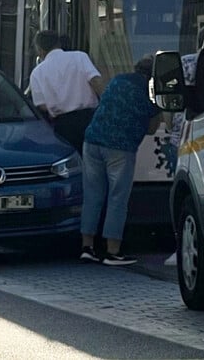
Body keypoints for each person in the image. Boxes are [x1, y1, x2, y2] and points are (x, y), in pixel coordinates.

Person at [79, 55, 162, 266]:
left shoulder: (118, 80)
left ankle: (87, 247)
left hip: (92, 140)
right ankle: (112, 252)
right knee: (117, 198)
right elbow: (152, 130)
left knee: (93, 195)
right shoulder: (152, 93)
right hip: (120, 147)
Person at [28, 30, 104, 153]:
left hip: (62, 125)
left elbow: (42, 105)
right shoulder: (80, 57)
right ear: (58, 44)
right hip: (90, 119)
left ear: (39, 49)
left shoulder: (37, 73)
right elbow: (96, 81)